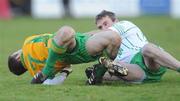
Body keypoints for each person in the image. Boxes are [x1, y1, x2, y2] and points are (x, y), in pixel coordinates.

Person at [85, 10, 180, 85]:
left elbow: (100, 34)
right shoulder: (106, 46)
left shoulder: (124, 24)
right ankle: (99, 76)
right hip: (136, 72)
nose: (104, 28)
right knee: (102, 67)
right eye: (100, 27)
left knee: (147, 48)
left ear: (116, 20)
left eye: (106, 23)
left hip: (149, 62)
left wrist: (77, 37)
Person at [8, 25, 124, 84]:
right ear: (17, 56)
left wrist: (65, 73)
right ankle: (108, 63)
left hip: (76, 41)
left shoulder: (35, 72)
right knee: (66, 31)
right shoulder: (27, 43)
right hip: (72, 47)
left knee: (114, 36)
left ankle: (99, 71)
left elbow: (55, 80)